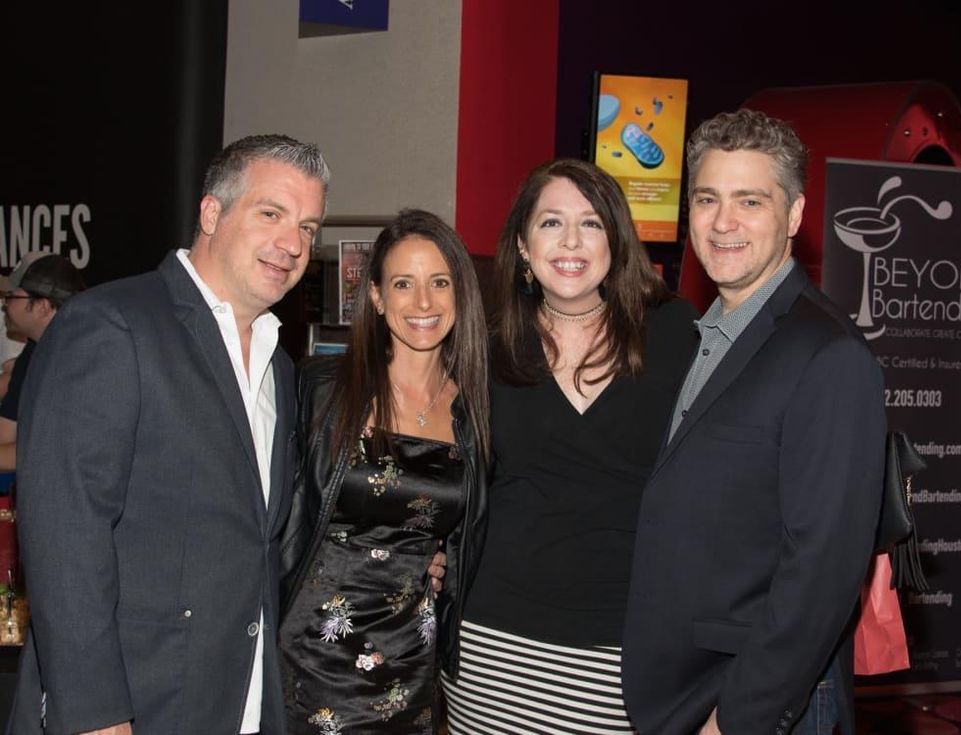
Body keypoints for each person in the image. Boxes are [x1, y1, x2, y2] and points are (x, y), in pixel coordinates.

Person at [8, 134, 330, 735]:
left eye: (309, 228)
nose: (293, 244)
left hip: (238, 697)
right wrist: (95, 714)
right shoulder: (113, 324)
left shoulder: (278, 365)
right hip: (132, 702)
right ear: (213, 212)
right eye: (271, 214)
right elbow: (63, 531)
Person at [622, 109, 887, 735]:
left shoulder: (830, 355)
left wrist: (736, 718)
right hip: (690, 687)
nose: (724, 223)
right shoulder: (703, 337)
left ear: (793, 215)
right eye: (708, 199)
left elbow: (823, 569)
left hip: (756, 701)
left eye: (751, 201)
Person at [443, 159, 699, 733]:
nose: (572, 241)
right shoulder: (487, 346)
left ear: (616, 241)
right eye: (551, 223)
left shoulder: (675, 333)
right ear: (523, 247)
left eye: (591, 223)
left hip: (622, 653)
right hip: (492, 648)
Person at [278, 208, 490, 732]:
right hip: (311, 654)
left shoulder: (476, 410)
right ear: (376, 296)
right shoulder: (321, 389)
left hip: (409, 661)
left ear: (460, 293)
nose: (423, 302)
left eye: (439, 282)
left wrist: (444, 564)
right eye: (403, 283)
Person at [0, 252, 85, 472]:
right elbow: (6, 435)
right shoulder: (32, 353)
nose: (4, 305)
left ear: (43, 306)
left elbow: (48, 450)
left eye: (12, 296)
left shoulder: (81, 359)